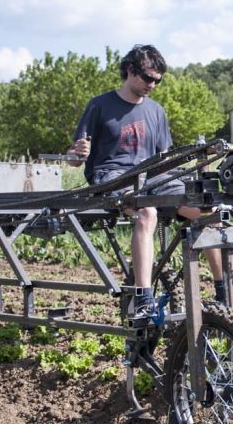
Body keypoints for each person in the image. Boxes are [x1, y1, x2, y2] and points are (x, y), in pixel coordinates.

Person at [67, 45, 224, 314]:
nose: (153, 85)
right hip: (113, 177)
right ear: (130, 70)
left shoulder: (156, 111)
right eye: (148, 78)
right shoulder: (100, 105)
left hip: (153, 176)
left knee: (206, 210)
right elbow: (75, 159)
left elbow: (163, 159)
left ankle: (224, 292)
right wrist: (76, 154)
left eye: (158, 80)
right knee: (147, 212)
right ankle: (143, 298)